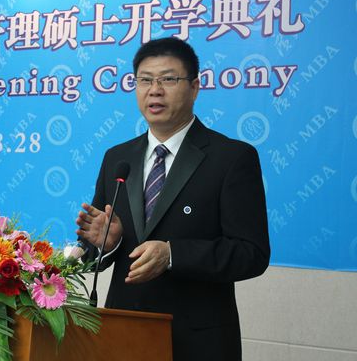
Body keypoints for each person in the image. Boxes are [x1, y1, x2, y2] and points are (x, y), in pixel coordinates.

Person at [76, 37, 270, 361]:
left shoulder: (231, 158)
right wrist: (107, 244)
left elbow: (251, 254)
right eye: (145, 80)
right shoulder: (117, 158)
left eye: (168, 79)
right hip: (123, 333)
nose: (155, 90)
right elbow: (94, 248)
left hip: (197, 342)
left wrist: (172, 255)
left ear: (194, 87)